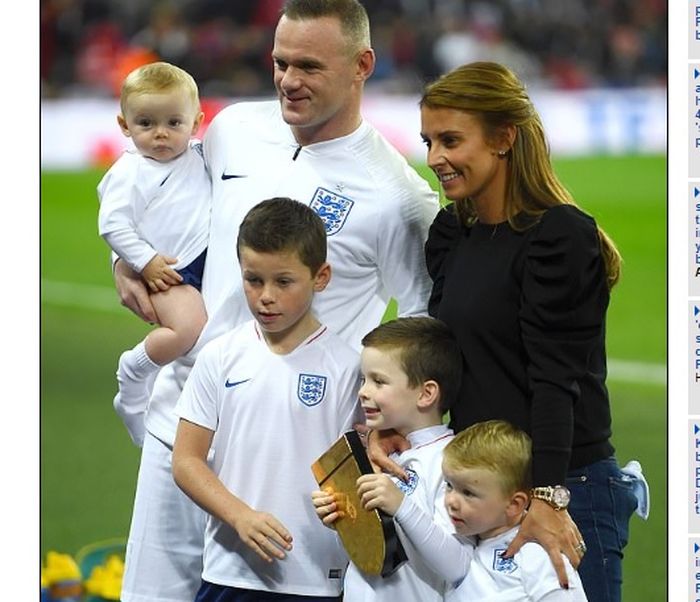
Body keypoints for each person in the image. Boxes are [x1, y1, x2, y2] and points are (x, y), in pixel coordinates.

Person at [112, 2, 439, 600]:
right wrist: (124, 260)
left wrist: (390, 426)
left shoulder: (398, 198)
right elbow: (168, 202)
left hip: (290, 457)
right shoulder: (235, 129)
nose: (289, 80)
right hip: (182, 421)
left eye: (309, 66)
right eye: (280, 63)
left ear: (362, 64)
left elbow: (421, 328)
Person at [416, 61, 643, 602]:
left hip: (565, 488)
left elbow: (554, 379)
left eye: (450, 140)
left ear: (503, 138)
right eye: (428, 141)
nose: (433, 159)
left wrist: (546, 495)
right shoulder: (453, 233)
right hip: (480, 494)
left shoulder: (560, 236)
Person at [172, 197, 363, 601]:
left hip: (316, 578)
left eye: (283, 281)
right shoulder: (220, 356)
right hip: (230, 571)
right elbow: (186, 461)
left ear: (321, 276)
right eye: (253, 280)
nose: (265, 296)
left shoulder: (348, 369)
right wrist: (239, 516)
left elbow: (361, 470)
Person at [97, 61, 210, 446]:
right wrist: (144, 262)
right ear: (124, 125)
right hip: (166, 270)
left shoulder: (202, 156)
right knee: (187, 329)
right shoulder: (129, 171)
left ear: (196, 122)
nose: (160, 134)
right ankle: (134, 372)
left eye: (173, 124)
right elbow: (112, 224)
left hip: (204, 262)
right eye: (146, 124)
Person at [312, 316, 462, 601]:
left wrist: (401, 506)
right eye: (363, 379)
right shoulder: (375, 452)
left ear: (426, 393)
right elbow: (378, 554)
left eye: (379, 381)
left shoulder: (453, 461)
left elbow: (456, 566)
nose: (363, 392)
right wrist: (344, 518)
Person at [392, 420, 587, 601]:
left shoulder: (535, 555)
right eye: (449, 485)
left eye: (468, 493)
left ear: (514, 504)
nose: (451, 501)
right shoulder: (469, 544)